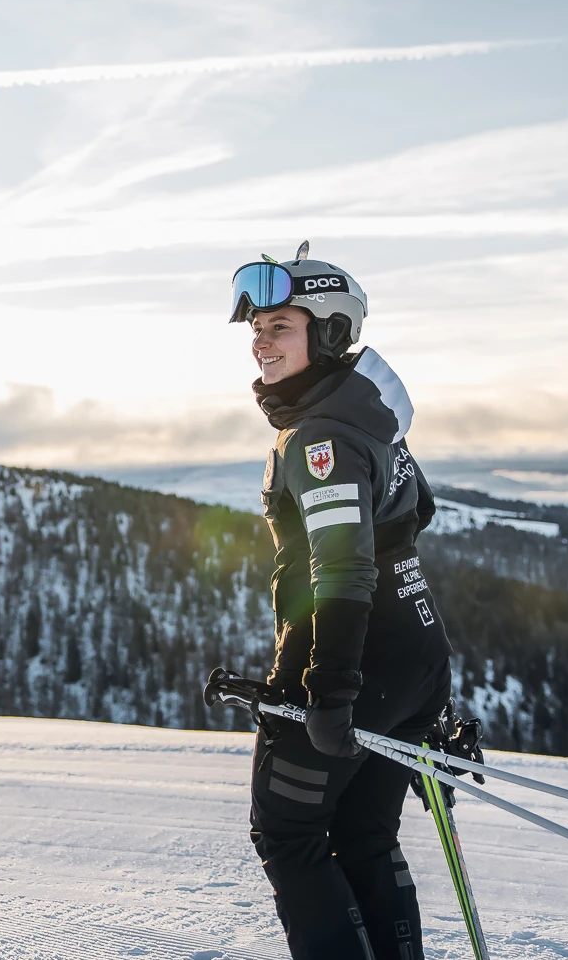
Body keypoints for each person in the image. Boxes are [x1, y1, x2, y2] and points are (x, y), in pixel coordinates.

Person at [233, 242, 453, 959]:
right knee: (364, 834)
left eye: (281, 327)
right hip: (413, 655)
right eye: (257, 327)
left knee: (289, 836)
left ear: (327, 333)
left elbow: (343, 567)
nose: (261, 342)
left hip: (346, 665)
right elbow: (414, 517)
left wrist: (329, 685)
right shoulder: (369, 418)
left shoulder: (318, 435)